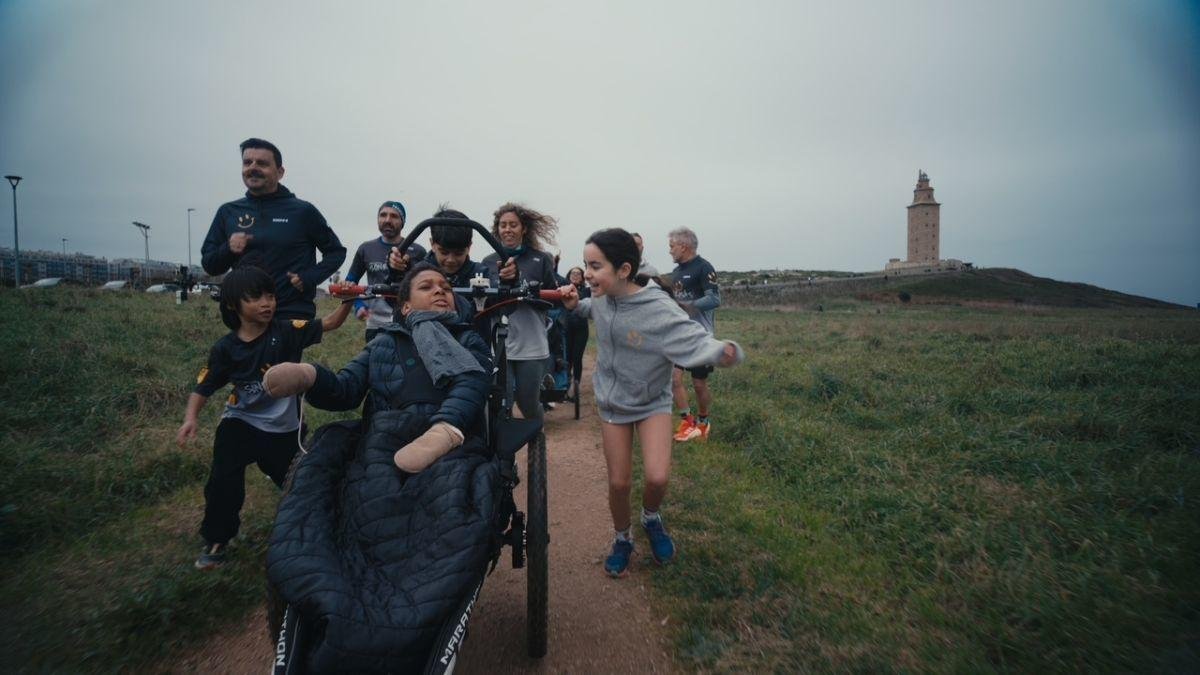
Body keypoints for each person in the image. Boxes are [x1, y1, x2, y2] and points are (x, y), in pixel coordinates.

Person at [559, 228, 743, 578]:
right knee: (619, 483)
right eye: (586, 265)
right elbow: (595, 310)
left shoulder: (658, 307)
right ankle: (623, 538)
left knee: (657, 477)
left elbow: (691, 338)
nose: (588, 274)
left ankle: (651, 517)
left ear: (624, 270)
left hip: (651, 402)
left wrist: (723, 351)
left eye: (595, 266)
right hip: (613, 403)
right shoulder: (600, 296)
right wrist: (576, 305)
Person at [176, 266, 351, 570]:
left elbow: (332, 322)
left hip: (284, 431)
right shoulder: (225, 349)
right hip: (239, 424)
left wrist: (349, 300)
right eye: (255, 297)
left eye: (270, 295)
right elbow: (203, 387)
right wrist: (190, 418)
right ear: (233, 305)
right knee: (222, 481)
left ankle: (323, 530)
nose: (267, 303)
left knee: (301, 483)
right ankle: (217, 540)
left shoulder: (288, 331)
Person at [261, 261, 491, 473]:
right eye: (426, 287)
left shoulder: (467, 339)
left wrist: (445, 429)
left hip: (452, 438)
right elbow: (346, 390)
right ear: (406, 307)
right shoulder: (384, 342)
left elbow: (473, 382)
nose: (440, 290)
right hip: (385, 439)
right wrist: (310, 376)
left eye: (446, 288)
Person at [201, 138, 347, 320]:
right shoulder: (228, 212)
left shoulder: (303, 211)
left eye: (262, 163)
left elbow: (336, 252)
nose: (253, 167)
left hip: (290, 312)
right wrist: (228, 249)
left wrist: (309, 278)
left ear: (280, 172)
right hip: (245, 316)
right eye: (247, 162)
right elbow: (210, 264)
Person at [479, 202, 560, 421]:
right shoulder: (487, 262)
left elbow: (553, 297)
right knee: (499, 403)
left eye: (513, 225)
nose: (507, 229)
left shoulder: (541, 259)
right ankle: (500, 453)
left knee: (528, 404)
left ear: (523, 228)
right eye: (503, 225)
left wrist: (530, 294)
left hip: (531, 343)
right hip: (499, 344)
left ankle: (536, 440)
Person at [667, 226, 722, 442]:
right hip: (679, 335)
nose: (670, 251)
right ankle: (687, 422)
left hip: (700, 336)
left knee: (699, 384)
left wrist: (688, 306)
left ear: (684, 245)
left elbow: (714, 299)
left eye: (672, 247)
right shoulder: (676, 272)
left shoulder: (703, 267)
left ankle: (703, 421)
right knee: (674, 378)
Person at [347, 201, 425, 342]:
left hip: (409, 321)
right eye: (383, 215)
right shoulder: (366, 249)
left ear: (403, 222)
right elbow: (351, 281)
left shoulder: (418, 251)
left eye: (394, 216)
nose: (388, 220)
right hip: (376, 324)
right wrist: (359, 306)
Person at [564, 266, 591, 388]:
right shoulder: (564, 290)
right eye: (573, 273)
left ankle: (575, 387)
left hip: (581, 329)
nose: (575, 275)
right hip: (566, 328)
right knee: (567, 358)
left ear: (582, 277)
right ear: (569, 275)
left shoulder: (586, 291)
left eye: (578, 273)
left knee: (577, 358)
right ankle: (565, 385)